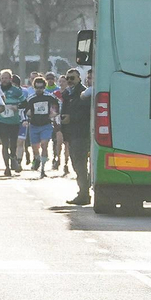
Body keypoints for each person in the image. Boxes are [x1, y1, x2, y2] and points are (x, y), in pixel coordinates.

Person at [61, 69, 93, 205]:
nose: (69, 81)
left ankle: (84, 193)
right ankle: (83, 191)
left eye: (72, 78)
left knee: (80, 165)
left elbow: (87, 114)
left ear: (79, 78)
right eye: (67, 78)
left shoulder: (84, 94)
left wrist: (71, 118)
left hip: (81, 133)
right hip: (72, 133)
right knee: (76, 164)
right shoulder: (68, 94)